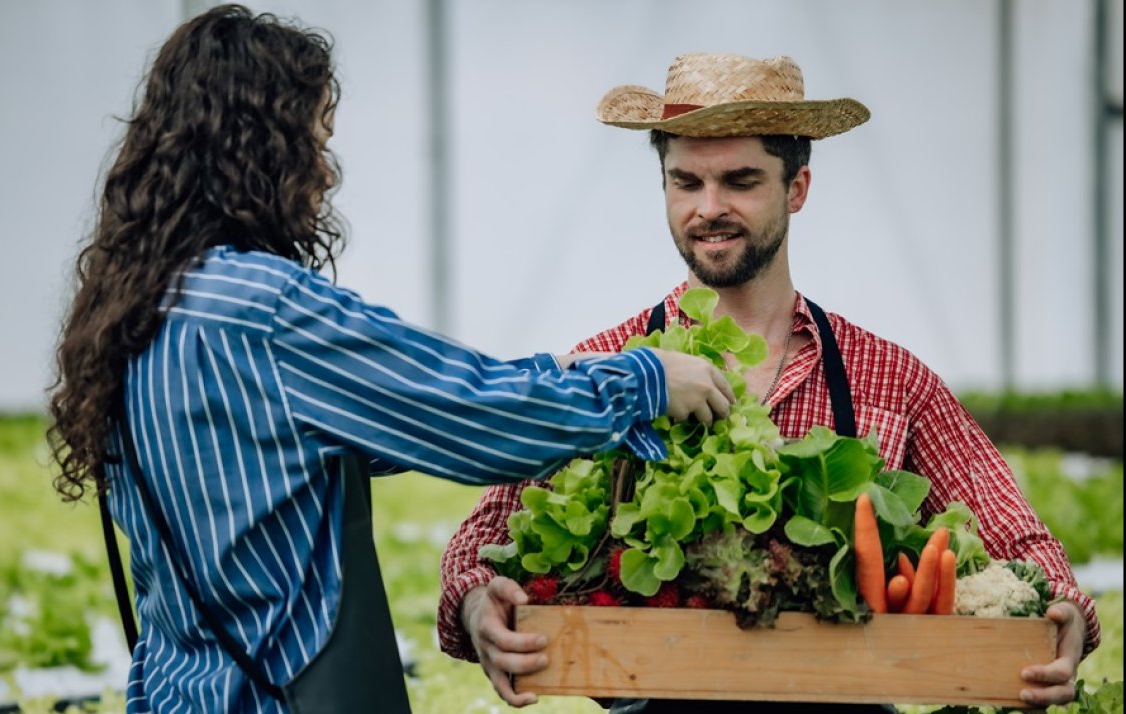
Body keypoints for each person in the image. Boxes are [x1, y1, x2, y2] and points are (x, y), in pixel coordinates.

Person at [45, 7, 739, 714]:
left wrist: (550, 376)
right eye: (313, 140)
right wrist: (644, 381)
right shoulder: (263, 307)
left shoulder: (137, 306)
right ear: (259, 148)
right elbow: (464, 410)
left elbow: (332, 437)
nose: (323, 172)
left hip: (176, 691)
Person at [437, 52, 1100, 712]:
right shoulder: (603, 365)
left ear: (797, 188)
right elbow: (483, 536)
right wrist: (473, 605)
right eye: (685, 182)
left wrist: (1065, 612)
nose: (708, 208)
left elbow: (1019, 541)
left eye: (740, 181)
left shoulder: (889, 378)